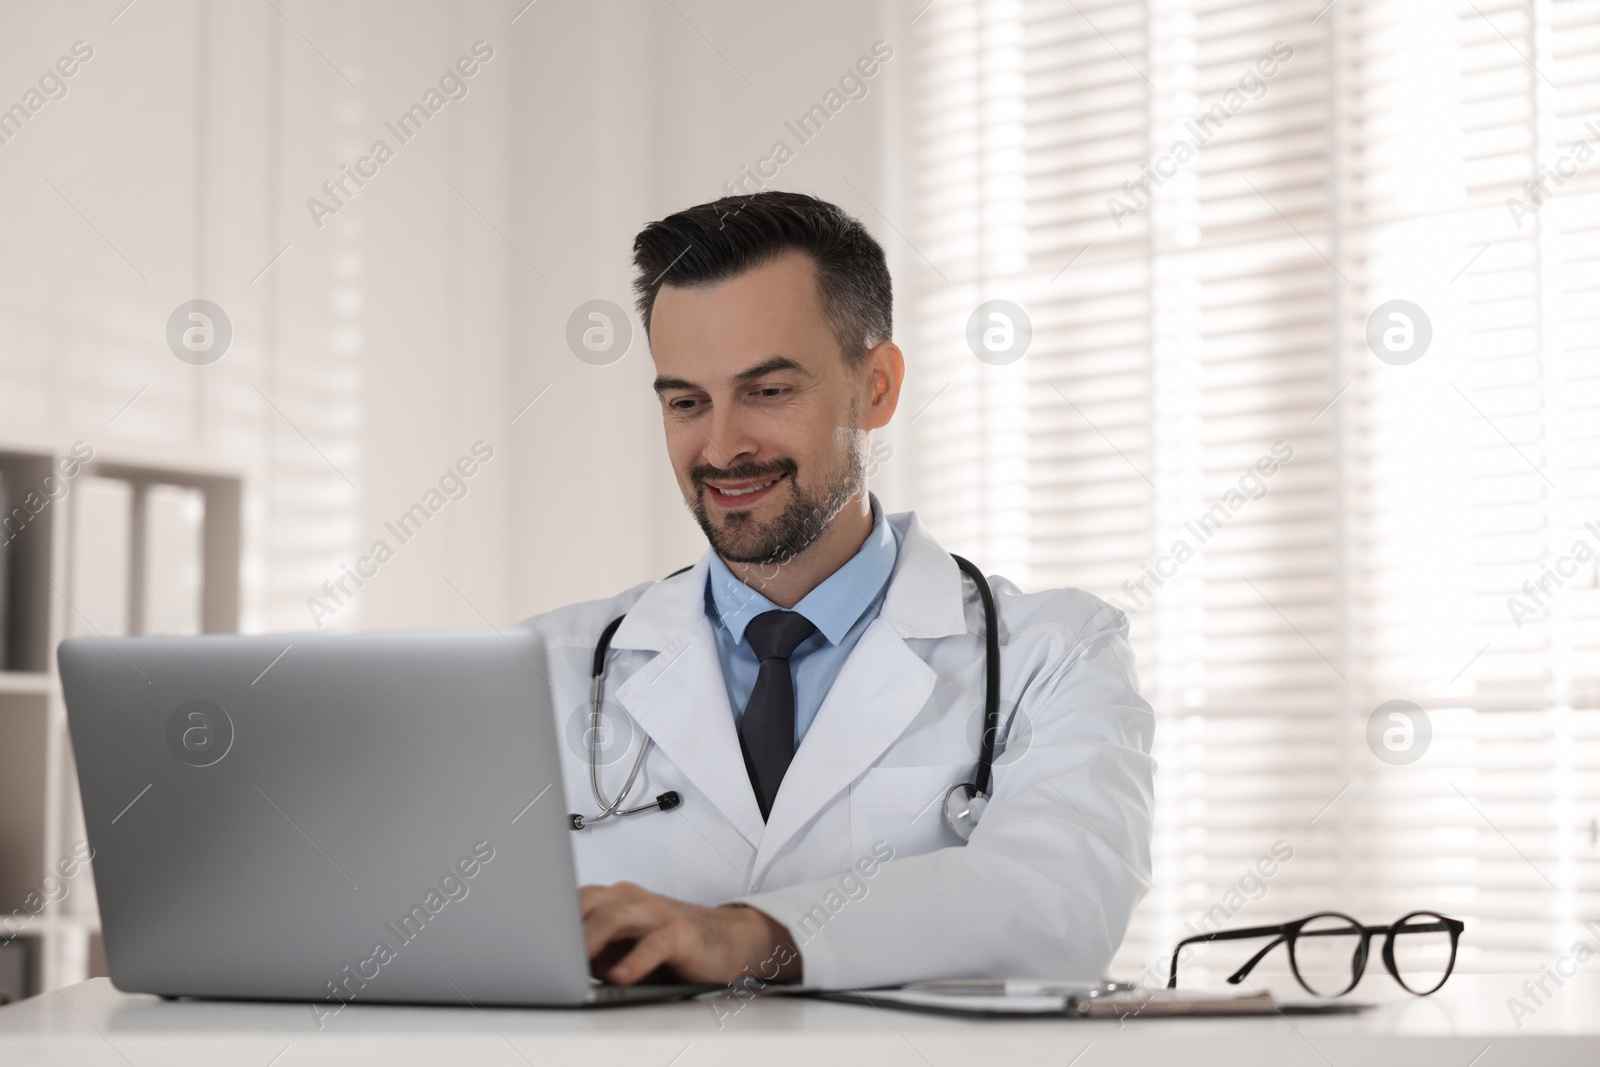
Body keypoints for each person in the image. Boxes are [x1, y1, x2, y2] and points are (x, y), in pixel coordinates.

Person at [520, 191, 1154, 991]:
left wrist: (747, 937)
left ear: (878, 387)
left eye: (769, 391)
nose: (722, 446)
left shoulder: (1054, 653)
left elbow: (1061, 901)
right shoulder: (542, 667)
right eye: (687, 402)